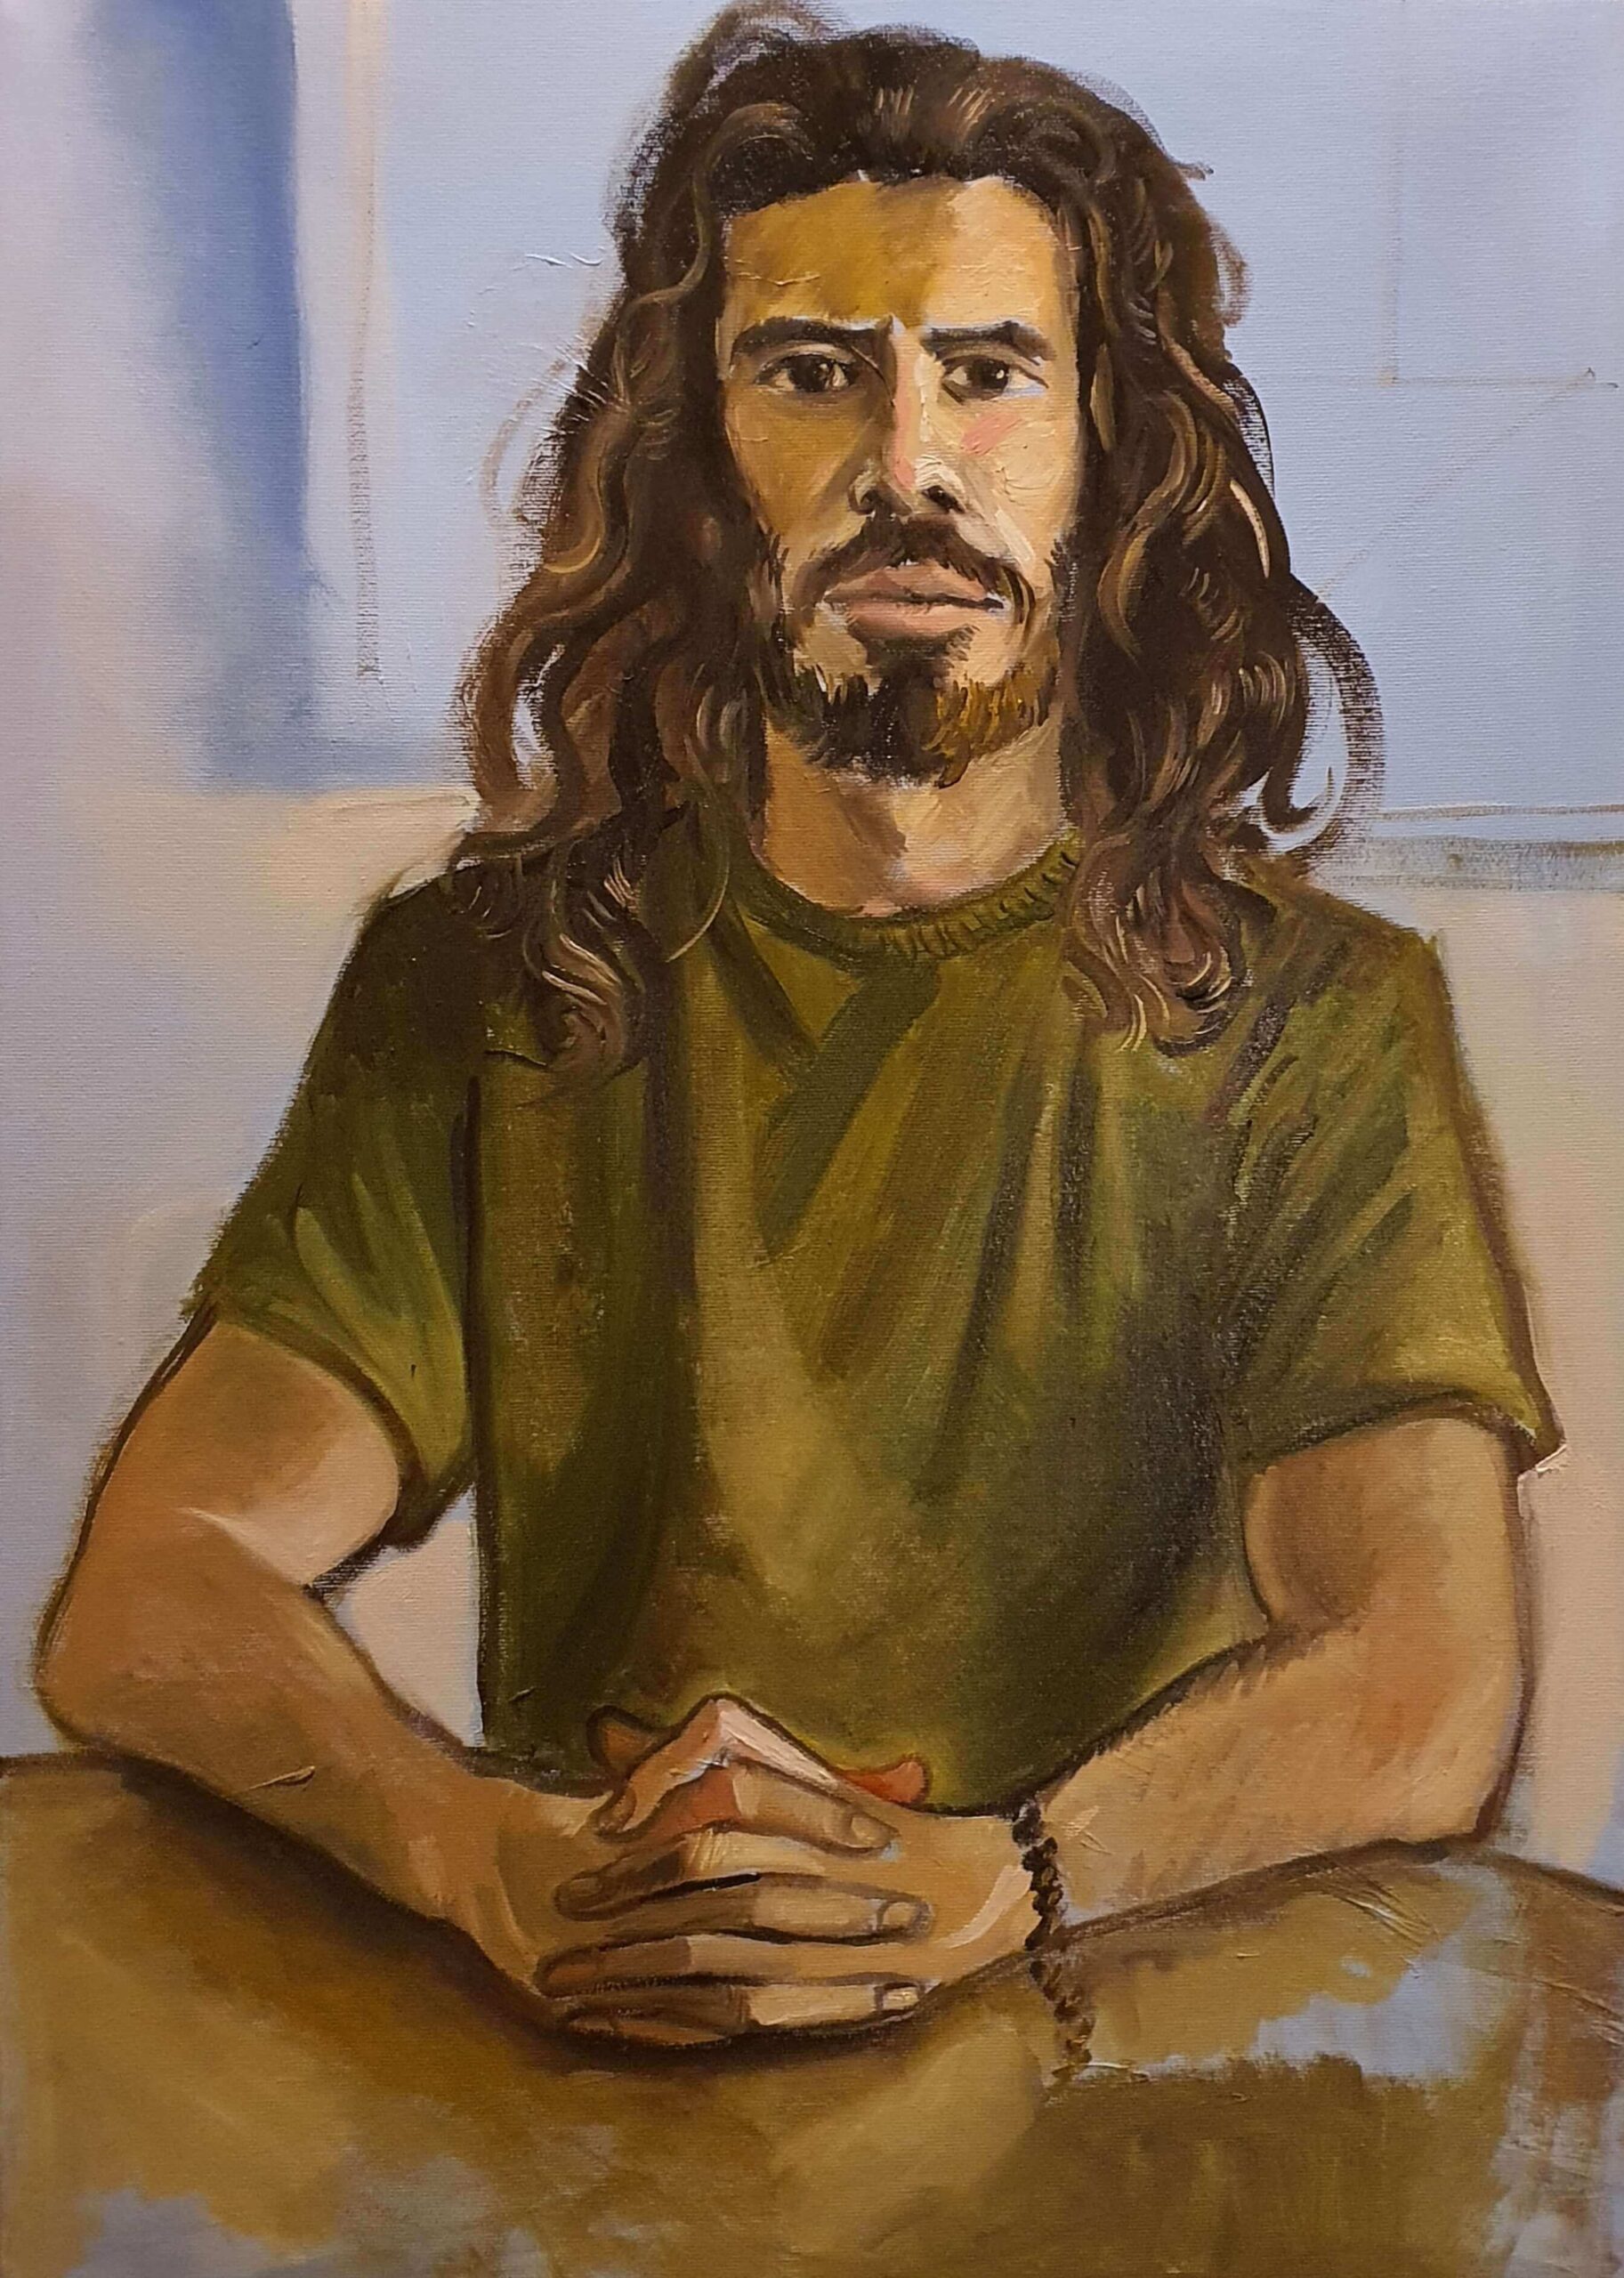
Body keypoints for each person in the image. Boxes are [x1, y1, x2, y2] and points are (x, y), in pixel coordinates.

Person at [36, 7, 1557, 2052]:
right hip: (611, 2056)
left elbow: (1425, 1676)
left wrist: (1007, 1876)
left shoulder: (1316, 1018)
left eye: (990, 374)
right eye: (812, 370)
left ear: (1112, 452)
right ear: (692, 456)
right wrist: (470, 1846)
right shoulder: (498, 981)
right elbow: (150, 1585)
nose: (906, 465)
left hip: (1137, 2063)